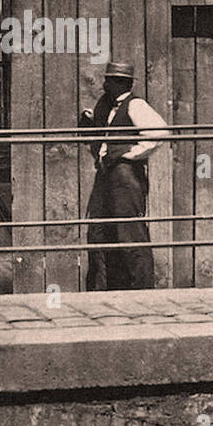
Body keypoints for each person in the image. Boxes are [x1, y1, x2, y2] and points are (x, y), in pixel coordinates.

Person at [79, 61, 168, 290]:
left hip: (126, 175)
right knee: (99, 229)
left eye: (109, 80)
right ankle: (103, 287)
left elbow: (160, 132)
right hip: (106, 173)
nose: (104, 84)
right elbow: (103, 126)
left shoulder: (135, 105)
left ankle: (141, 288)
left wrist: (132, 153)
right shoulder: (106, 105)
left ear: (121, 83)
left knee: (130, 230)